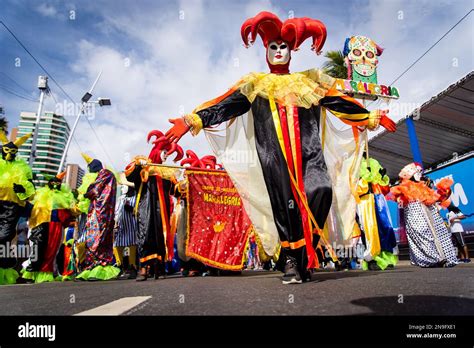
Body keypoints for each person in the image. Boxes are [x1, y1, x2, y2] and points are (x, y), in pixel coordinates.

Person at [164, 11, 397, 284]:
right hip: (274, 156)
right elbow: (227, 105)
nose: (278, 51)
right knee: (284, 206)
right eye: (273, 46)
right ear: (266, 51)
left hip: (310, 153)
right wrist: (194, 119)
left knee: (321, 190)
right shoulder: (255, 84)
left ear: (291, 51)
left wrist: (368, 117)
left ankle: (306, 250)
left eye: (283, 46)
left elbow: (336, 100)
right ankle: (290, 259)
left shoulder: (309, 81)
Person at [125, 131, 182, 281]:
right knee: (145, 236)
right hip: (145, 209)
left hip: (161, 212)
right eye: (164, 152)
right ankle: (143, 268)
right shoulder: (145, 167)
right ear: (157, 151)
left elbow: (175, 191)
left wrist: (182, 187)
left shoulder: (167, 173)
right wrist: (138, 166)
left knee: (160, 238)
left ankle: (159, 268)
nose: (165, 156)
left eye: (167, 154)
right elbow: (129, 175)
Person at [390, 163, 458, 267]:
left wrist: (445, 195)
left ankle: (446, 258)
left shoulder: (424, 186)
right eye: (417, 172)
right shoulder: (404, 187)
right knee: (421, 232)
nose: (420, 174)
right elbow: (396, 196)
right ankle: (431, 259)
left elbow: (434, 198)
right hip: (415, 215)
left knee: (440, 231)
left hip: (430, 214)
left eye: (420, 172)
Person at [21, 171, 76, 283]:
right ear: (49, 183)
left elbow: (73, 211)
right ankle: (34, 272)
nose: (55, 183)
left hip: (56, 226)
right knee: (38, 248)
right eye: (53, 181)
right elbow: (29, 206)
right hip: (40, 225)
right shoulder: (39, 194)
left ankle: (46, 272)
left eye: (58, 182)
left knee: (52, 250)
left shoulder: (65, 197)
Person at [76, 154, 120, 281]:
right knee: (95, 237)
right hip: (100, 211)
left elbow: (94, 189)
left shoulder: (105, 173)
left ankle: (99, 265)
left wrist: (86, 193)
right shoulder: (106, 174)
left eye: (90, 167)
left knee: (97, 238)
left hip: (102, 213)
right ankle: (93, 266)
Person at [0, 131, 35, 285]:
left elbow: (31, 189)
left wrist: (22, 190)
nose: (10, 154)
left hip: (12, 207)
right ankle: (7, 261)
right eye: (8, 151)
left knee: (4, 237)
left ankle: (6, 265)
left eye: (13, 152)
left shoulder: (22, 167)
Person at [114, 177, 138, 280]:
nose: (123, 188)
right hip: (121, 226)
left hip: (132, 225)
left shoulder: (136, 197)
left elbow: (139, 210)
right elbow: (117, 211)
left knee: (132, 243)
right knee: (117, 244)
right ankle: (120, 265)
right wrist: (115, 222)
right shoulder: (120, 199)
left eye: (125, 186)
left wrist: (132, 209)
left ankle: (132, 267)